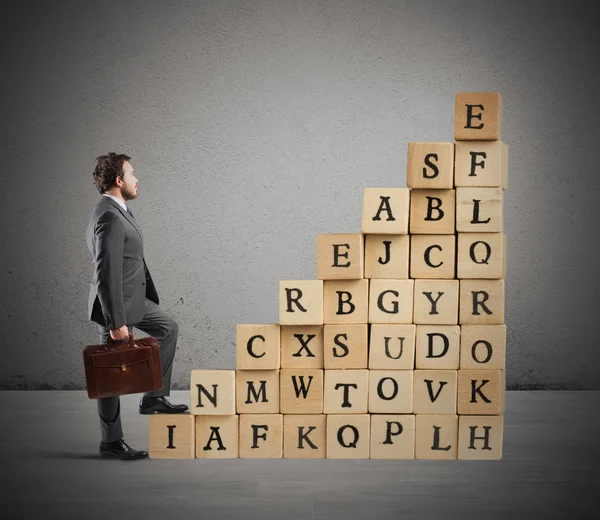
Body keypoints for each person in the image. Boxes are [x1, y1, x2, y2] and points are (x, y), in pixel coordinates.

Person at [86, 152, 188, 461]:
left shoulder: (118, 210)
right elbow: (105, 274)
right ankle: (111, 442)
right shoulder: (108, 215)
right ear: (119, 181)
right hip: (115, 303)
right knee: (110, 376)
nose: (136, 179)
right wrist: (115, 321)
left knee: (167, 328)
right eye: (132, 174)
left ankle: (153, 398)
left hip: (134, 298)